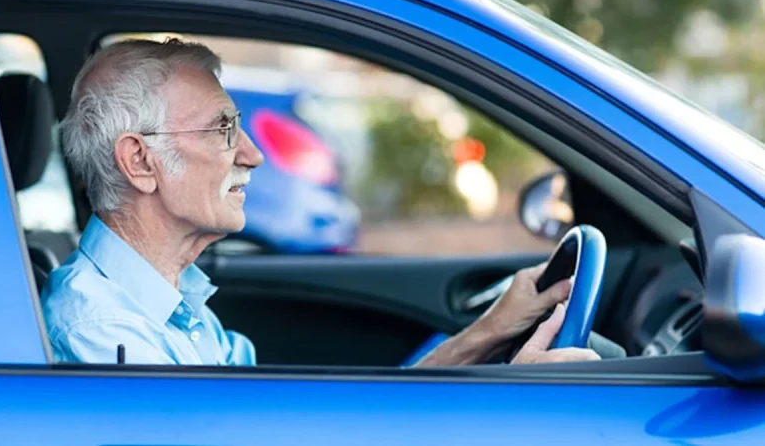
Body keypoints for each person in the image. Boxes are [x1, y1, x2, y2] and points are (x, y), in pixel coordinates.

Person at [41, 38, 600, 366]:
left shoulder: (164, 302)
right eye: (222, 129)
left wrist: (488, 333)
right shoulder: (106, 333)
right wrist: (504, 411)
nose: (254, 155)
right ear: (140, 161)